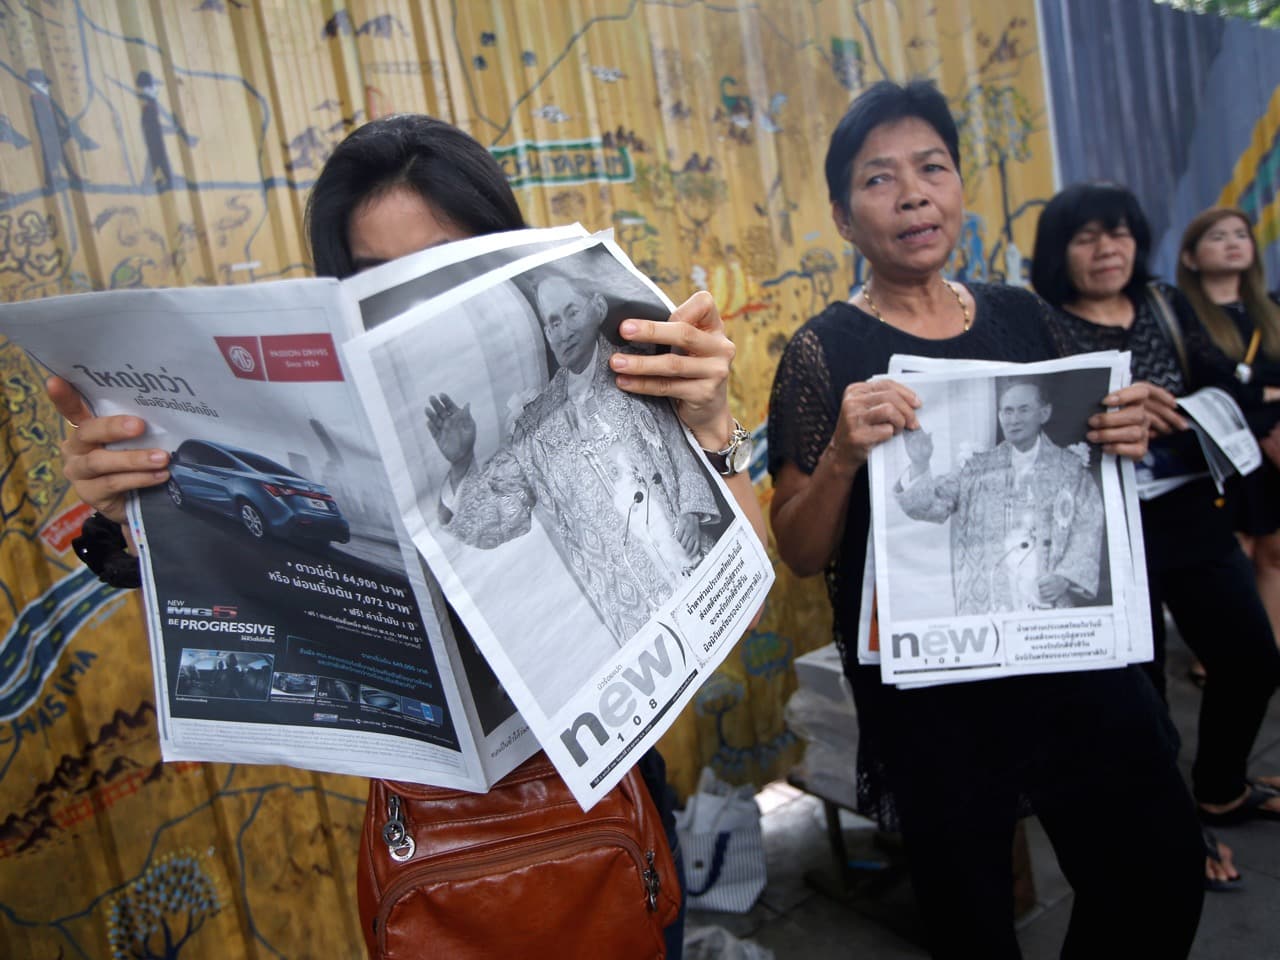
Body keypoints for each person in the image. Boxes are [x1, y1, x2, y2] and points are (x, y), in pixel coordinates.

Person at [49, 113, 768, 958]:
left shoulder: (608, 382)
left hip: (608, 802)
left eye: (445, 268)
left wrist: (714, 428)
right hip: (433, 839)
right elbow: (277, 608)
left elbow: (740, 609)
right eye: (380, 280)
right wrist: (137, 514)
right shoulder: (331, 435)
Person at [768, 80, 1203, 958]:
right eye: (879, 179)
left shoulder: (1019, 314)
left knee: (1156, 875)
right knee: (971, 922)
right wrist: (847, 455)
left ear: (960, 188)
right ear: (845, 219)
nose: (913, 193)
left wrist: (1118, 427)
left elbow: (1090, 456)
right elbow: (804, 549)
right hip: (940, 699)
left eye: (932, 167)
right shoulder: (825, 352)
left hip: (1067, 658)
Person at [1031, 182, 1280, 886]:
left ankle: (1221, 786)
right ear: (1059, 251)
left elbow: (1228, 385)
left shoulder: (1166, 305)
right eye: (1086, 237)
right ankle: (1177, 830)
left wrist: (1174, 406)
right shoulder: (1040, 323)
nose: (1107, 249)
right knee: (1141, 699)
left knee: (1254, 659)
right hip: (1104, 527)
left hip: (1189, 511)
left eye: (1119, 233)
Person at [426, 271, 721, 645]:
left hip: (693, 563)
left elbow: (679, 447)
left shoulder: (641, 367)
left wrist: (692, 512)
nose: (563, 330)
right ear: (546, 335)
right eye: (552, 322)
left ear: (596, 308)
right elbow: (503, 515)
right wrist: (462, 463)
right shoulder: (534, 423)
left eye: (570, 313)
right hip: (634, 614)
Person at [896, 378, 1103, 614]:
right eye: (1007, 411)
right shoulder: (977, 467)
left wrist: (1065, 577)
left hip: (1045, 601)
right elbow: (928, 505)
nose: (1014, 420)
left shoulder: (1070, 468)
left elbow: (1088, 525)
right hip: (988, 602)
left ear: (1044, 413)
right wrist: (920, 463)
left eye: (1023, 410)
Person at [1176, 208, 1280, 649]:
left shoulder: (1271, 310)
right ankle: (1220, 659)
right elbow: (1205, 391)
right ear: (1191, 257)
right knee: (1231, 557)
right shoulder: (1181, 318)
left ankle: (1270, 650)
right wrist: (1265, 395)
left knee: (1274, 554)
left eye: (1240, 234)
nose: (1233, 242)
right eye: (1218, 236)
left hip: (1272, 449)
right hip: (1217, 453)